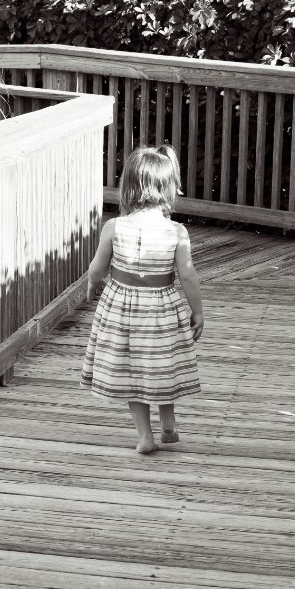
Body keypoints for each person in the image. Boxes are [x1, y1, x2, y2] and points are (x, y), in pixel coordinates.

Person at [80, 145, 203, 454]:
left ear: (129, 185)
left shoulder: (114, 227)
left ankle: (144, 436)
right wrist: (197, 311)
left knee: (132, 372)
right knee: (162, 365)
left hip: (121, 311)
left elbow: (97, 267)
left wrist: (93, 286)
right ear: (169, 187)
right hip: (162, 311)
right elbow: (187, 276)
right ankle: (169, 423)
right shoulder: (177, 232)